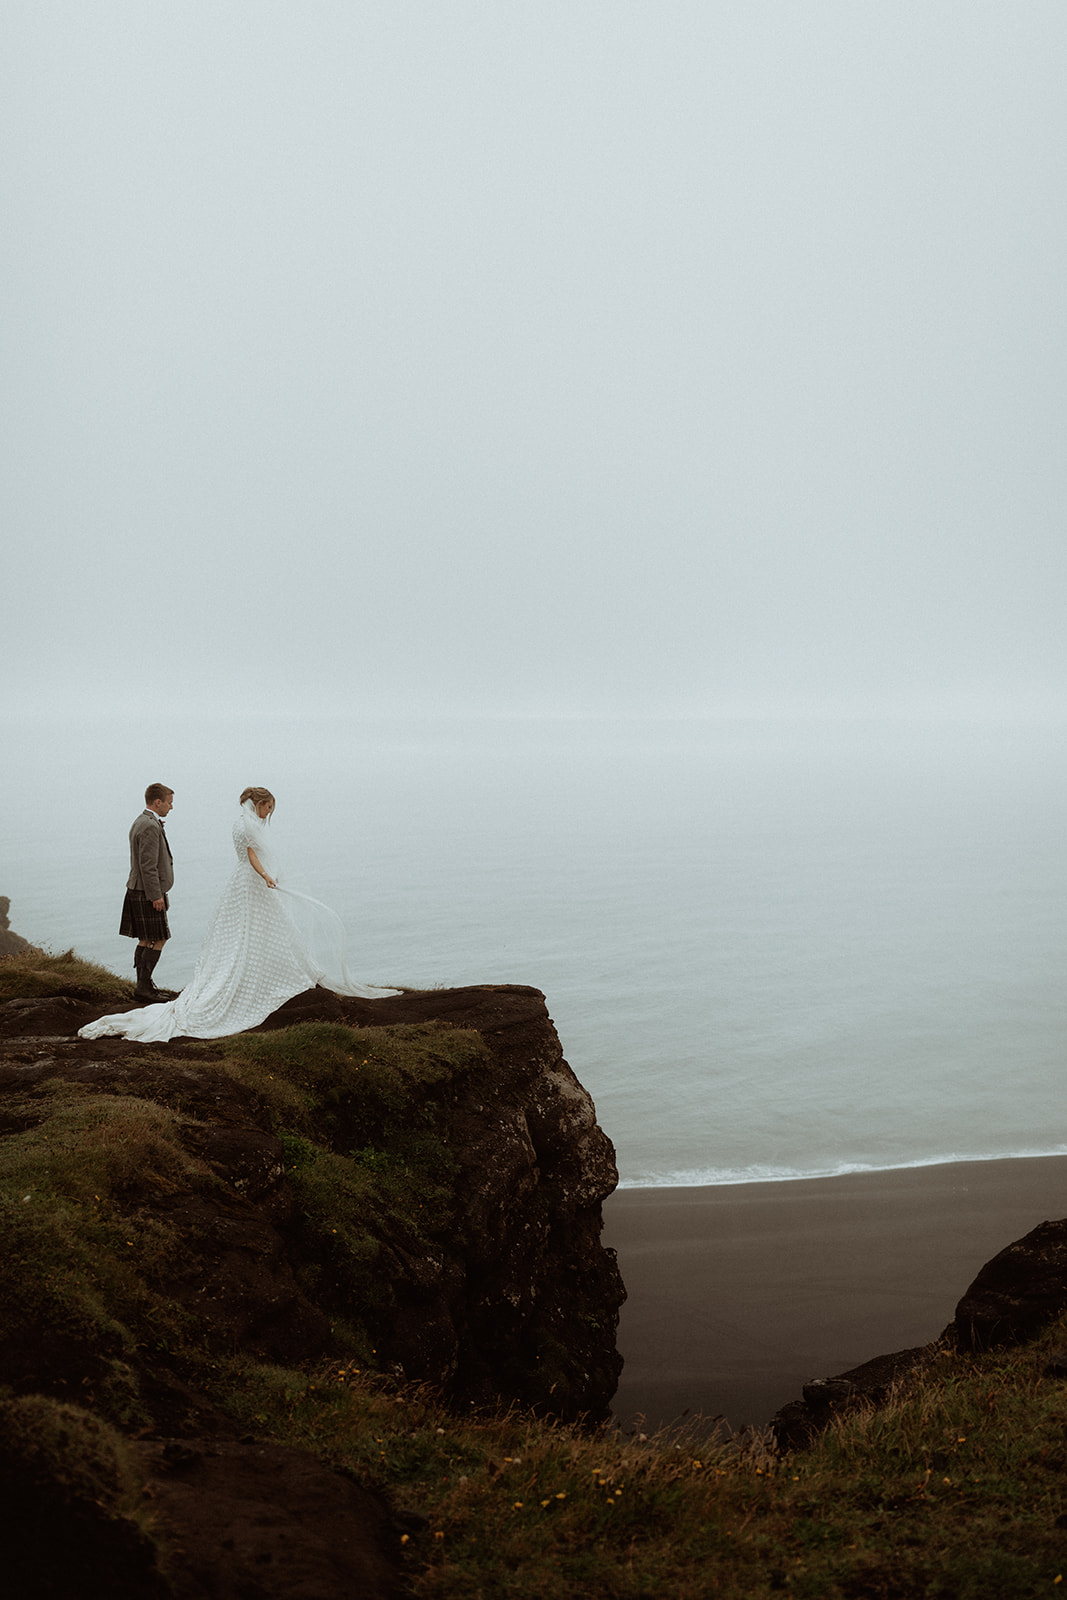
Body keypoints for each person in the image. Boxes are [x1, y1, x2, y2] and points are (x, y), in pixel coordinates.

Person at [79, 786, 399, 1043]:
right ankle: (144, 985)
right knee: (181, 935)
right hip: (247, 882)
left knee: (230, 933)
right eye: (268, 807)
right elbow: (249, 856)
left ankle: (144, 984)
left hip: (240, 883)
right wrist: (265, 876)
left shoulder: (238, 822)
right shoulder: (244, 825)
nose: (269, 814)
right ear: (258, 803)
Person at [123, 783, 175, 1001]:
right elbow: (148, 865)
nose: (171, 807)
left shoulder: (142, 821)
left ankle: (143, 987)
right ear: (158, 802)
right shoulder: (150, 826)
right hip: (146, 892)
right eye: (169, 802)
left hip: (140, 889)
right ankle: (144, 987)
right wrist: (156, 895)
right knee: (159, 938)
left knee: (145, 939)